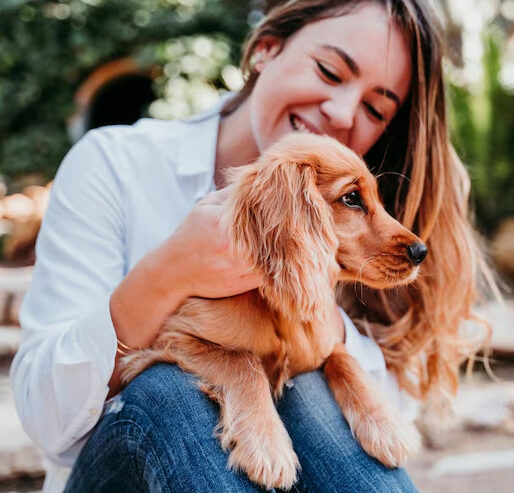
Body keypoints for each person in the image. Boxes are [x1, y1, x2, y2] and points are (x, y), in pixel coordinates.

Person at [10, 0, 489, 491]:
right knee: (169, 393)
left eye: (375, 108)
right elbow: (49, 426)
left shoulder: (352, 218)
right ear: (265, 49)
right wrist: (172, 271)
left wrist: (329, 337)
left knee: (310, 393)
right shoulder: (114, 164)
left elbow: (394, 417)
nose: (342, 112)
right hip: (116, 469)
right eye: (328, 70)